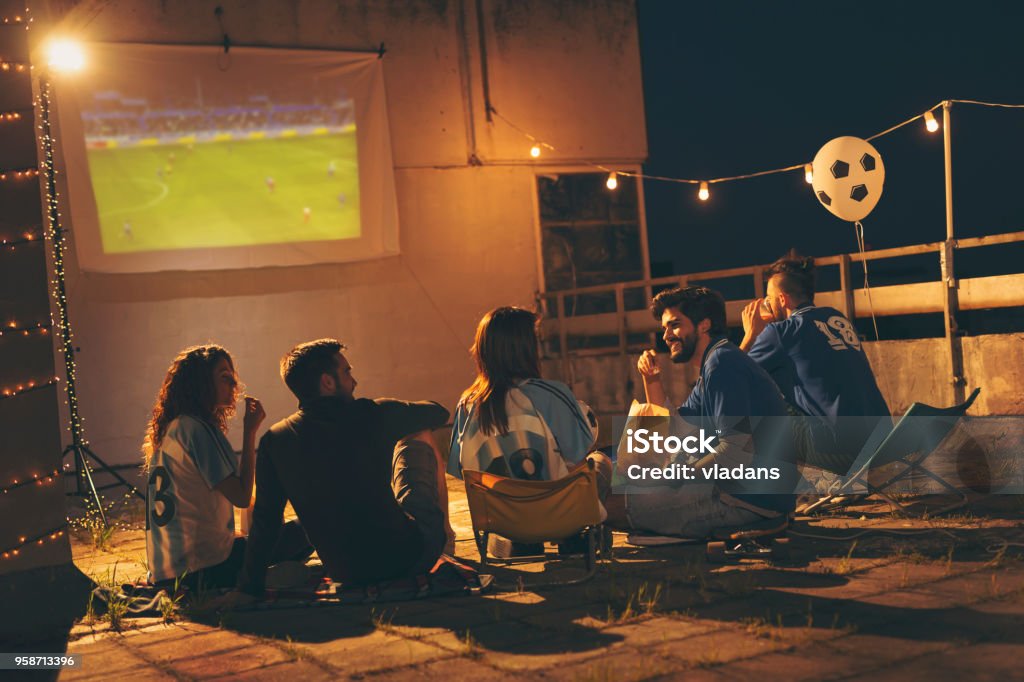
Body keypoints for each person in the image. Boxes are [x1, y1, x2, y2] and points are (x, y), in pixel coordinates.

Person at [233, 338, 454, 600]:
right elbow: (439, 413)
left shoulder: (275, 441)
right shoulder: (373, 413)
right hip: (407, 558)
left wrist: (249, 586)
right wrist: (393, 413)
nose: (354, 380)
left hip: (345, 571)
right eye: (347, 372)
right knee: (417, 437)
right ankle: (446, 539)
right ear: (327, 382)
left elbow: (266, 521)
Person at [605, 286, 797, 540]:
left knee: (607, 506)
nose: (666, 336)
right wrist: (651, 380)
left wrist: (670, 477)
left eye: (674, 325)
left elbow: (735, 452)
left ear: (704, 325)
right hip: (742, 492)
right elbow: (675, 430)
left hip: (748, 502)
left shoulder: (722, 364)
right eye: (664, 328)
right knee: (615, 482)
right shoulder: (715, 363)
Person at [142, 345, 309, 591]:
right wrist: (250, 431)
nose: (234, 384)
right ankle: (259, 580)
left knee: (264, 540)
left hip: (167, 573)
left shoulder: (175, 427)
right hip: (201, 571)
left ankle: (267, 573)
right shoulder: (196, 429)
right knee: (305, 529)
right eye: (224, 377)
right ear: (200, 382)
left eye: (233, 377)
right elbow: (241, 496)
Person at [448, 306, 611, 557]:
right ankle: (574, 536)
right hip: (558, 514)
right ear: (525, 348)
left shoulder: (467, 404)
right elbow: (580, 448)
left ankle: (518, 541)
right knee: (599, 461)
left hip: (503, 519)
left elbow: (460, 470)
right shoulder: (549, 393)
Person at [739, 254, 890, 474]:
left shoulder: (781, 333)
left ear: (782, 300)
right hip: (883, 443)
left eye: (768, 299)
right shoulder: (836, 318)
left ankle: (770, 496)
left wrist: (750, 335)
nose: (766, 304)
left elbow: (728, 375)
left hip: (843, 453)